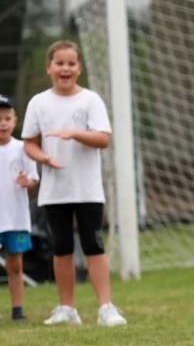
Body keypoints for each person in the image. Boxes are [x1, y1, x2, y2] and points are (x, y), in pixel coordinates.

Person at [21, 40, 127, 327]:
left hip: (87, 189)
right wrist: (42, 156)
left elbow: (103, 138)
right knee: (62, 248)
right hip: (54, 191)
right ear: (49, 68)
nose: (65, 68)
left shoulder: (90, 100)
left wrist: (75, 133)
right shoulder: (38, 102)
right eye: (59, 63)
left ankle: (106, 307)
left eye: (70, 63)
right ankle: (66, 308)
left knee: (94, 245)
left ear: (78, 68)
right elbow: (29, 142)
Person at [0, 94, 38, 321]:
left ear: (15, 121)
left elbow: (33, 179)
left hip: (15, 218)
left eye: (6, 118)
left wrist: (28, 182)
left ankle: (17, 310)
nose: (2, 123)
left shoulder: (24, 149)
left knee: (15, 265)